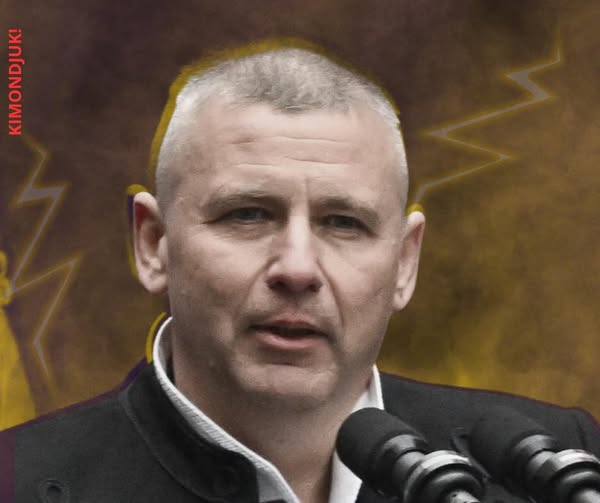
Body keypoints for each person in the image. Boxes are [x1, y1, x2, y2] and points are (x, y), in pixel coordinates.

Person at [3, 41, 600, 503]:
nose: (297, 268)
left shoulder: (551, 471)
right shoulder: (17, 482)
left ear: (405, 262)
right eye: (247, 215)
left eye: (343, 223)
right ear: (153, 244)